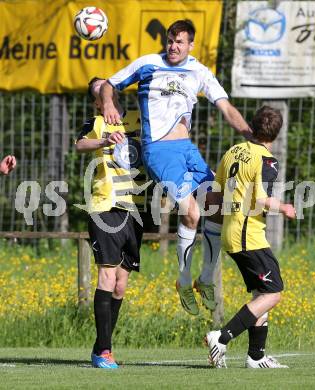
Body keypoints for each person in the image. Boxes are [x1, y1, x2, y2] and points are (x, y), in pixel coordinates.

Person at [100, 19, 251, 316]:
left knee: (218, 205)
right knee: (192, 213)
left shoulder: (199, 71)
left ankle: (205, 279)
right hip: (159, 151)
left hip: (188, 151)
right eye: (170, 40)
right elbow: (108, 84)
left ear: (190, 44)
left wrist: (251, 136)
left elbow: (226, 107)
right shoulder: (148, 64)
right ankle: (183, 281)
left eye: (180, 42)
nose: (173, 46)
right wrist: (107, 102)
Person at [205, 106, 296, 369]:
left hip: (231, 233)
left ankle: (256, 356)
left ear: (253, 127)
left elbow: (213, 197)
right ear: (276, 134)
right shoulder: (267, 160)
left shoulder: (233, 151)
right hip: (249, 236)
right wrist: (285, 207)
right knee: (274, 293)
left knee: (261, 293)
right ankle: (220, 337)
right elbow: (260, 199)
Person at [76, 77, 147, 369]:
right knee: (106, 275)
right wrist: (104, 140)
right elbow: (80, 144)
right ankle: (105, 350)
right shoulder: (96, 122)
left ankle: (100, 347)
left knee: (120, 284)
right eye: (98, 90)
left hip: (135, 208)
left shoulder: (135, 119)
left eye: (108, 85)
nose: (105, 90)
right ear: (97, 100)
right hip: (105, 205)